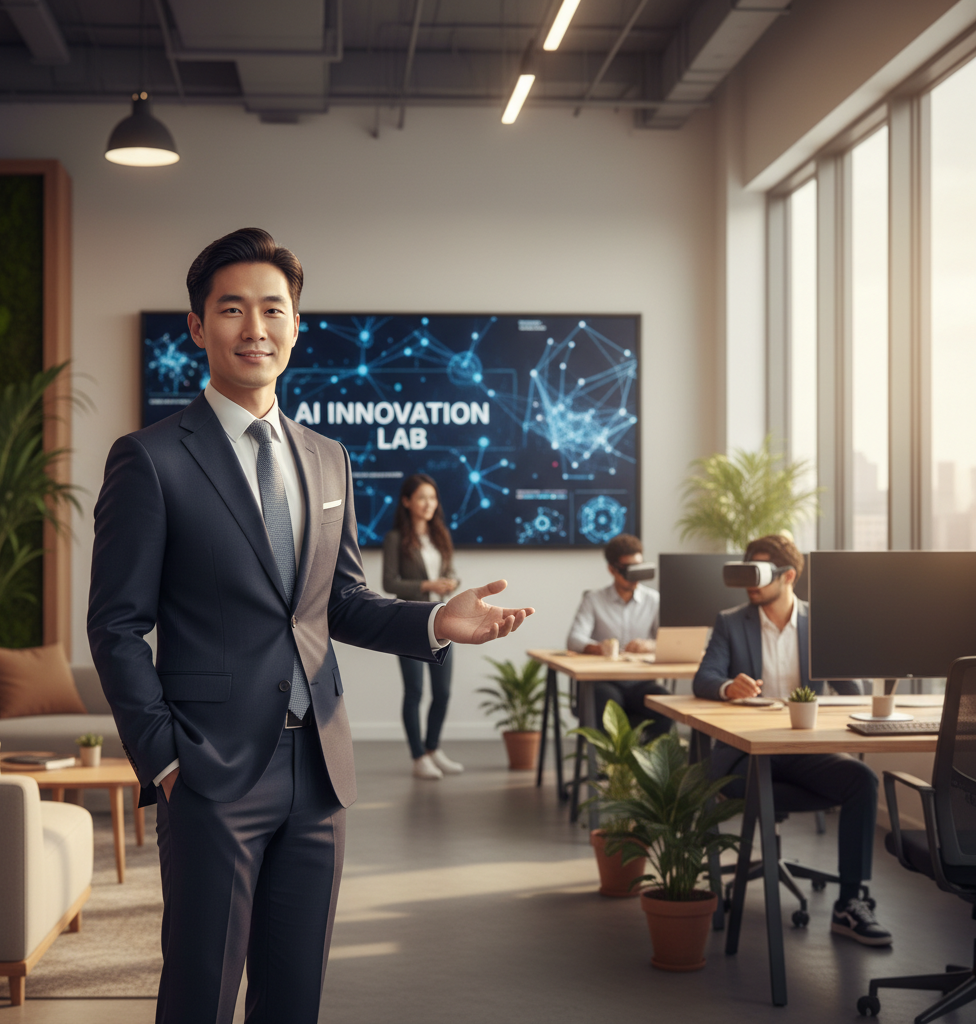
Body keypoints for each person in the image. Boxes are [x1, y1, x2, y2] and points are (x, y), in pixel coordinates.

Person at [87, 227, 535, 1024]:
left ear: (297, 324)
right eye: (232, 309)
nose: (254, 328)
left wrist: (437, 621)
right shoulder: (150, 459)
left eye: (273, 309)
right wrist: (161, 759)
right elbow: (116, 625)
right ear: (197, 327)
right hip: (208, 768)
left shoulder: (328, 458)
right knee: (201, 991)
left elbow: (343, 601)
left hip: (319, 768)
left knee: (295, 996)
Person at [693, 533, 891, 946]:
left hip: (804, 751)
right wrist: (731, 687)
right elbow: (705, 678)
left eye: (760, 572)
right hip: (747, 754)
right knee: (758, 782)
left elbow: (851, 689)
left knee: (861, 780)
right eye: (746, 572)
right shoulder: (731, 622)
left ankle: (849, 904)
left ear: (789, 576)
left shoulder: (820, 622)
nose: (751, 582)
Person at [382, 474, 462, 780]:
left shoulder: (440, 534)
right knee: (414, 691)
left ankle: (433, 749)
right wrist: (428, 584)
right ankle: (418, 757)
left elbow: (452, 571)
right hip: (410, 621)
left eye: (433, 497)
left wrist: (452, 582)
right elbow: (390, 582)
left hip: (443, 619)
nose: (430, 504)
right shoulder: (394, 539)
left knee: (442, 692)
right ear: (407, 502)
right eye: (422, 498)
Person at [566, 533, 672, 740]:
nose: (635, 577)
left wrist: (649, 646)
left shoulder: (654, 600)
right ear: (612, 569)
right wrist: (599, 648)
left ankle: (647, 765)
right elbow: (574, 639)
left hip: (641, 682)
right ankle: (608, 770)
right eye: (628, 570)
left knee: (665, 702)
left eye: (638, 569)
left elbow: (670, 641)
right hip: (603, 681)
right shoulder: (594, 600)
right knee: (607, 702)